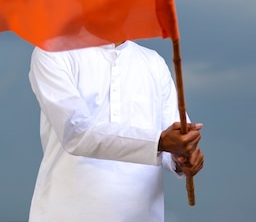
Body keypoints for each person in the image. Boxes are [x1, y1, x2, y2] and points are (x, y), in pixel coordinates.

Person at [28, 40, 204, 222]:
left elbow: (173, 141)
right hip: (66, 214)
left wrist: (183, 157)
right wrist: (159, 142)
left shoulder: (153, 63)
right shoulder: (52, 53)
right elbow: (76, 133)